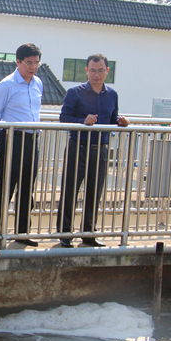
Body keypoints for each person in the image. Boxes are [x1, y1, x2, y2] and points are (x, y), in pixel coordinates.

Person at [56, 53, 129, 248]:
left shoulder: (112, 94)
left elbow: (112, 118)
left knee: (94, 193)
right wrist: (83, 121)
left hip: (101, 150)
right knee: (70, 191)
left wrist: (121, 121)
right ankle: (65, 233)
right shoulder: (75, 92)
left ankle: (89, 234)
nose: (96, 75)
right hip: (78, 147)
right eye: (93, 70)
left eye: (100, 70)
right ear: (87, 71)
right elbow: (64, 118)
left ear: (107, 71)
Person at [0, 43, 44, 248]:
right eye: (29, 63)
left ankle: (22, 231)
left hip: (32, 139)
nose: (33, 67)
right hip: (12, 138)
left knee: (27, 187)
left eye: (36, 63)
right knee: (5, 186)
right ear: (18, 62)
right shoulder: (6, 85)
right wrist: (6, 139)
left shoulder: (38, 83)